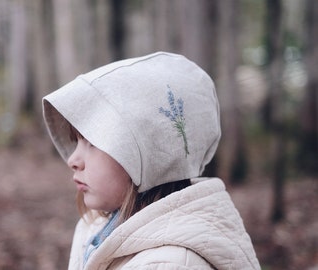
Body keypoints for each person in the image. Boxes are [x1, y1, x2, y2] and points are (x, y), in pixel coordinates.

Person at [42, 52, 260, 269]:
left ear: (146, 155)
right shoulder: (97, 229)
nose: (73, 160)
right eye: (76, 141)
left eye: (93, 143)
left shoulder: (169, 264)